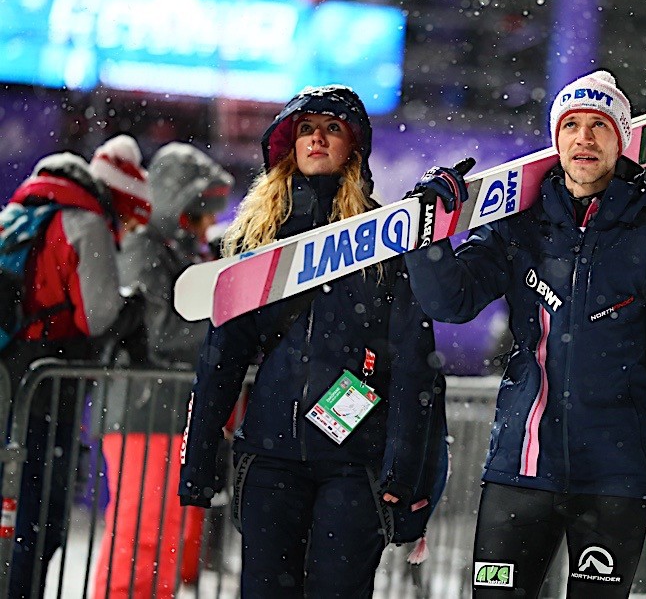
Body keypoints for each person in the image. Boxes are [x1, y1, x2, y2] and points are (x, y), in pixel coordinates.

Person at [403, 70, 646, 597]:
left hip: (616, 481)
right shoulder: (517, 225)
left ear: (621, 139)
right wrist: (427, 232)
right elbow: (450, 302)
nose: (584, 138)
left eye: (599, 125)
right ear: (556, 139)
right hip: (520, 471)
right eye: (571, 125)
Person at [178, 85, 442, 597]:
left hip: (356, 465)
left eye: (332, 128)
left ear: (354, 147)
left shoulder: (386, 239)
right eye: (306, 129)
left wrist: (402, 472)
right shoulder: (255, 241)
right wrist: (200, 460)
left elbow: (414, 363)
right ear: (288, 145)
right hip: (269, 458)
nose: (317, 139)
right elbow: (221, 358)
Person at [0, 136, 150, 599]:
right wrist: (134, 309)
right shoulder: (85, 221)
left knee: (11, 508)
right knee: (41, 515)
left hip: (8, 379)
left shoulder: (21, 212)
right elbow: (97, 316)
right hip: (48, 389)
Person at [94, 142, 234, 599]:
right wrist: (230, 330)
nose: (209, 223)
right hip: (143, 411)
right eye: (203, 210)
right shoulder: (145, 247)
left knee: (164, 534)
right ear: (180, 204)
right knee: (141, 531)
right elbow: (160, 335)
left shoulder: (176, 251)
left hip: (165, 411)